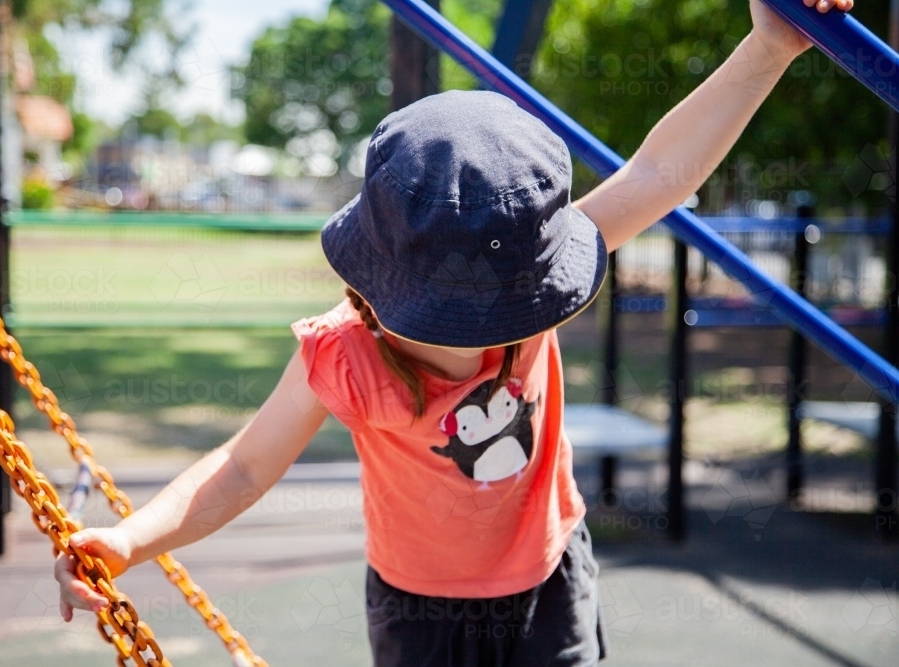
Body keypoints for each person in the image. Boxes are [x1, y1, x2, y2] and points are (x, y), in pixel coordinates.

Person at [55, 0, 854, 664]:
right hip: (421, 613)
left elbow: (659, 175)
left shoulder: (531, 293)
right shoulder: (347, 352)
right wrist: (129, 539)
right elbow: (241, 467)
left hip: (549, 584)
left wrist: (769, 46)